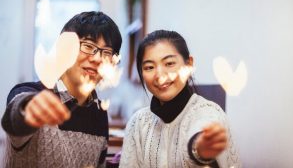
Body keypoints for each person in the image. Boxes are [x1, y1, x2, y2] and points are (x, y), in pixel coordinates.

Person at [1, 11, 122, 168]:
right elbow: (15, 117)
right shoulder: (31, 93)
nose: (97, 58)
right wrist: (29, 108)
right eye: (88, 46)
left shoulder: (98, 111)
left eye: (107, 52)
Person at [119, 30, 241, 168]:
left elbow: (200, 134)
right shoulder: (138, 122)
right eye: (149, 67)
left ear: (189, 65)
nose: (160, 75)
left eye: (169, 63)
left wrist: (200, 150)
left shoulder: (209, 112)